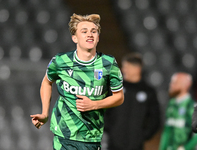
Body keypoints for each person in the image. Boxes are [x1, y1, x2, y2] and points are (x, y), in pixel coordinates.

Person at [30, 13, 124, 150]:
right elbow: (46, 82)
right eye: (84, 31)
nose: (90, 34)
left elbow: (119, 97)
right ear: (75, 38)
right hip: (63, 135)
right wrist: (45, 113)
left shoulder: (108, 64)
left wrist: (94, 105)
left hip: (91, 137)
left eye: (94, 31)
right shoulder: (60, 61)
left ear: (98, 37)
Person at [104, 53, 160, 150]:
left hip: (136, 145)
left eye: (126, 67)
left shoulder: (148, 91)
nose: (123, 70)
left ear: (137, 69)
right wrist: (110, 129)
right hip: (114, 144)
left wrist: (144, 135)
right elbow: (104, 109)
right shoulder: (115, 87)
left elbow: (155, 117)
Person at [159, 72, 197, 150]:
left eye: (175, 82)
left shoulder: (192, 106)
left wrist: (185, 148)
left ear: (186, 85)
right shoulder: (171, 104)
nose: (171, 85)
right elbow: (166, 131)